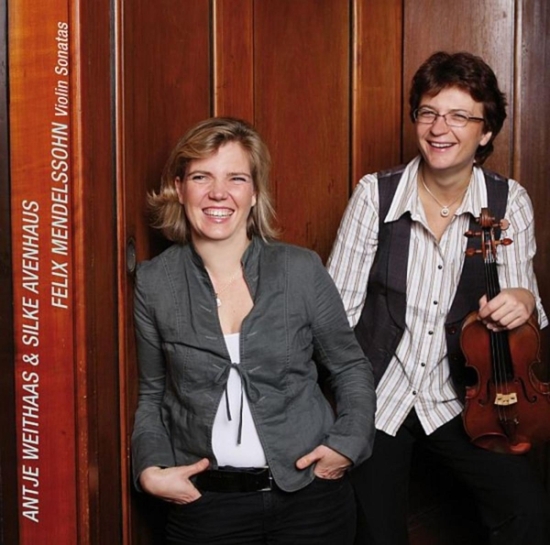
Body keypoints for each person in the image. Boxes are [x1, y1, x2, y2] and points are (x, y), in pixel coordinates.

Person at [327, 51, 550, 545]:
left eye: (459, 116)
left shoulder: (509, 202)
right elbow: (336, 316)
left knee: (529, 514)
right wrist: (347, 407)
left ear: (485, 132)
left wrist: (521, 300)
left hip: (464, 398)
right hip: (380, 395)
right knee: (373, 534)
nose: (439, 128)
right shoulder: (374, 195)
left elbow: (524, 309)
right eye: (428, 112)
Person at [131, 116, 376, 545]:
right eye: (201, 177)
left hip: (311, 499)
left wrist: (347, 444)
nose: (218, 193)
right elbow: (152, 393)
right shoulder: (154, 283)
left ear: (255, 192)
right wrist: (150, 470)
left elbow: (350, 367)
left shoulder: (301, 270)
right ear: (179, 188)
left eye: (236, 178)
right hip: (206, 506)